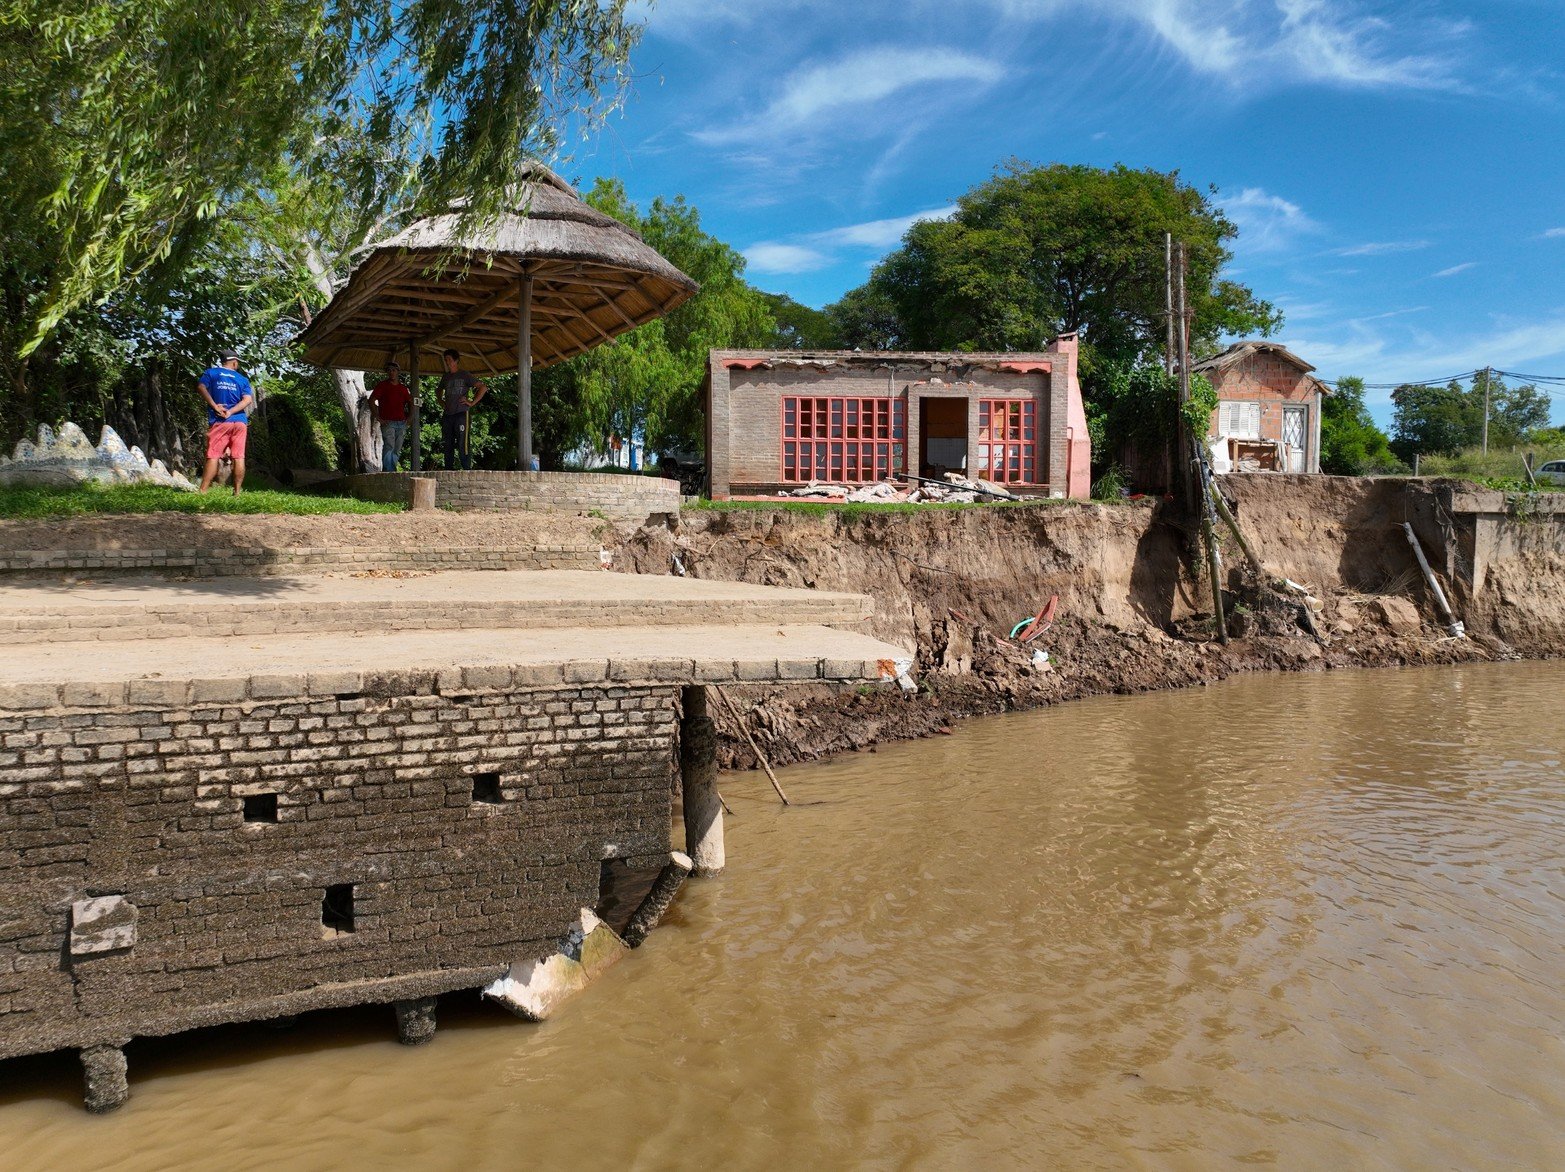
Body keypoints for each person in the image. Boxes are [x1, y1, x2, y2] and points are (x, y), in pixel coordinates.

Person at [197, 349, 254, 495]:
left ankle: (203, 491)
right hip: (240, 422)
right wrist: (233, 411)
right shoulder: (242, 379)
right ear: (235, 363)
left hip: (220, 421)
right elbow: (248, 400)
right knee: (239, 456)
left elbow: (201, 387)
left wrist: (215, 406)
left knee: (213, 455)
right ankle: (237, 492)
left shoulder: (211, 373)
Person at [437, 349, 487, 470]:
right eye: (446, 360)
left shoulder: (464, 375)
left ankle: (466, 468)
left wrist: (471, 402)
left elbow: (483, 387)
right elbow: (439, 389)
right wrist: (441, 401)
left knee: (462, 441)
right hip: (448, 413)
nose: (447, 362)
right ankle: (448, 468)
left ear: (456, 360)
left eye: (449, 359)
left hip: (461, 413)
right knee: (448, 442)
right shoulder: (446, 376)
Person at [366, 361, 413, 471]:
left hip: (401, 422)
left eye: (394, 370)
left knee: (397, 448)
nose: (391, 372)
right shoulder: (382, 386)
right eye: (389, 370)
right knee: (389, 446)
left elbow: (411, 402)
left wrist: (410, 418)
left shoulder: (403, 388)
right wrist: (377, 417)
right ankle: (389, 471)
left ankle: (392, 469)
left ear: (398, 372)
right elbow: (371, 400)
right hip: (388, 422)